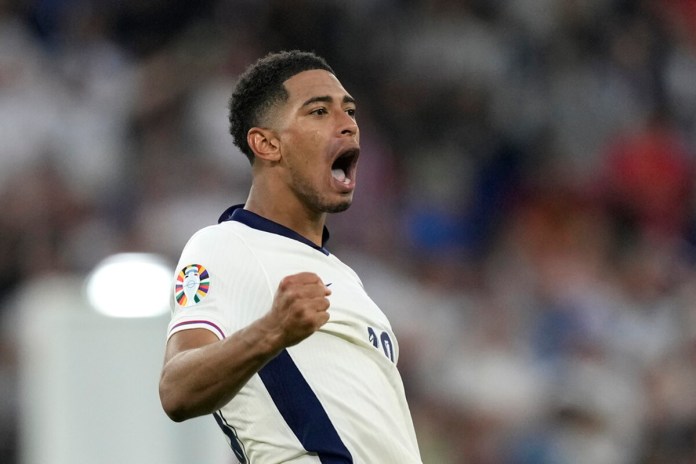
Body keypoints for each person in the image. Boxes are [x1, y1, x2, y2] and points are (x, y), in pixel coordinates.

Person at [158, 50, 423, 463]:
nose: (348, 125)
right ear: (266, 143)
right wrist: (273, 331)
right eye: (319, 111)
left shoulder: (345, 277)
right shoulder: (226, 245)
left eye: (349, 111)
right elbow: (176, 390)